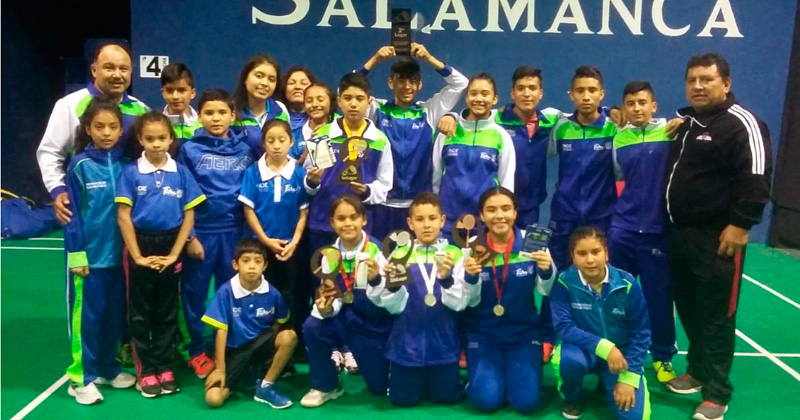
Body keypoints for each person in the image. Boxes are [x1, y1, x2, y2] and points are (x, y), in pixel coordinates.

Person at [664, 53, 772, 420]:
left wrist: (742, 224)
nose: (697, 86)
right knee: (690, 307)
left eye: (706, 79)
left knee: (716, 315)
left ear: (726, 84)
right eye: (692, 80)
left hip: (719, 238)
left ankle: (716, 393)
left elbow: (757, 176)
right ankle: (697, 370)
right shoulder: (688, 124)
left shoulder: (743, 123)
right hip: (681, 235)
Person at [115, 112, 206, 397]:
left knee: (167, 310)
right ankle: (146, 371)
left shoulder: (180, 172)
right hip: (140, 244)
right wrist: (138, 256)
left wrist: (175, 254)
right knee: (140, 313)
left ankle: (165, 367)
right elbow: (123, 216)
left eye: (162, 138)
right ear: (140, 139)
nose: (156, 144)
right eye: (150, 138)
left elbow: (189, 214)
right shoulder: (131, 172)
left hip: (171, 245)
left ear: (171, 139)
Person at [178, 89, 258, 379]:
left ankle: (228, 347)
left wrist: (247, 238)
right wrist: (190, 236)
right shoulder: (189, 150)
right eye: (209, 113)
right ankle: (197, 350)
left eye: (222, 112)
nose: (216, 118)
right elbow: (182, 194)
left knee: (232, 294)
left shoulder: (245, 150)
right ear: (199, 116)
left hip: (234, 235)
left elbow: (251, 192)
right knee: (194, 296)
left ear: (232, 115)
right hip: (201, 236)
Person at [542, 65, 618, 362]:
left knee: (601, 279)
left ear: (602, 94)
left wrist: (615, 112)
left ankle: (604, 337)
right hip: (564, 217)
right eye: (580, 91)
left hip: (601, 218)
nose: (586, 96)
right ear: (571, 95)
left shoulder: (614, 128)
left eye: (592, 91)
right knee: (555, 278)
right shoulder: (560, 128)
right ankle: (548, 335)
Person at [355, 43, 468, 239]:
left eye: (413, 81)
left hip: (418, 208)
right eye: (401, 81)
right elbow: (346, 88)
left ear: (420, 85)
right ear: (390, 82)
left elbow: (460, 83)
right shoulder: (376, 110)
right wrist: (375, 60)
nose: (407, 87)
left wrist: (429, 58)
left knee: (416, 259)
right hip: (382, 204)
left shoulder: (428, 112)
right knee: (381, 257)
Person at [64, 99, 135, 404]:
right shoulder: (79, 165)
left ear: (121, 130)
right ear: (88, 129)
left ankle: (107, 368)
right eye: (99, 127)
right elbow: (72, 216)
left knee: (113, 316)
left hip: (120, 258)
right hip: (90, 259)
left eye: (113, 127)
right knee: (87, 319)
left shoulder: (127, 164)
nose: (106, 133)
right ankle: (81, 377)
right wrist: (77, 254)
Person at [368, 192, 468, 407]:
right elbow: (391, 307)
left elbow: (460, 303)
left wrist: (447, 279)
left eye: (432, 218)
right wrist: (390, 285)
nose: (427, 225)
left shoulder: (455, 254)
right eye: (420, 219)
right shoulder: (397, 255)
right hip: (406, 346)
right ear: (410, 223)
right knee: (402, 401)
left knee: (446, 398)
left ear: (442, 220)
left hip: (444, 344)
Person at [462, 187, 556, 414]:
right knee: (486, 401)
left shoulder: (533, 242)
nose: (499, 216)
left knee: (527, 403)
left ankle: (512, 375)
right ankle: (481, 379)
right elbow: (469, 301)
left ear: (515, 212)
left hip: (523, 335)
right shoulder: (473, 246)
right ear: (482, 215)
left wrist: (546, 270)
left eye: (506, 209)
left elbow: (545, 290)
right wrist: (471, 277)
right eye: (491, 210)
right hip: (484, 335)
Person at [609, 81, 677, 383]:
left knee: (658, 299)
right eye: (630, 103)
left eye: (642, 102)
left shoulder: (670, 133)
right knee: (617, 297)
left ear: (654, 106)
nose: (636, 108)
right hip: (622, 229)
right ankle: (618, 351)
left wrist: (683, 121)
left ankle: (662, 356)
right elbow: (618, 177)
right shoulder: (619, 138)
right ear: (624, 108)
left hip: (657, 231)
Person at [38, 41, 149, 225]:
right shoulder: (70, 105)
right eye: (109, 68)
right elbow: (50, 153)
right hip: (88, 210)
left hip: (131, 211)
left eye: (123, 69)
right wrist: (58, 190)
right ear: (94, 70)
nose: (117, 75)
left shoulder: (141, 110)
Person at [550, 226, 651, 420]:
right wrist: (605, 347)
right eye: (582, 253)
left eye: (596, 252)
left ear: (606, 253)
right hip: (582, 350)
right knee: (569, 361)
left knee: (634, 417)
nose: (590, 260)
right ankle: (573, 397)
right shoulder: (564, 283)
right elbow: (564, 327)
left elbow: (641, 333)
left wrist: (629, 378)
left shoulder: (627, 284)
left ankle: (607, 385)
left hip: (621, 356)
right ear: (573, 257)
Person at [300, 196, 390, 408]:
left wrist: (377, 279)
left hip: (372, 324)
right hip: (343, 319)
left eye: (353, 217)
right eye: (341, 218)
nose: (347, 223)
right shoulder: (329, 256)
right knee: (313, 326)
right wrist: (326, 308)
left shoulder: (377, 251)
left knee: (379, 388)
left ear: (363, 220)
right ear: (332, 222)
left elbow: (389, 300)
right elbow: (332, 297)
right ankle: (326, 386)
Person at [202, 239, 297, 409]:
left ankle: (266, 386)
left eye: (258, 261)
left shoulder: (273, 293)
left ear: (265, 266)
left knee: (289, 336)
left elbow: (278, 324)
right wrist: (220, 369)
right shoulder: (225, 292)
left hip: (261, 346)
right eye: (246, 261)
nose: (252, 266)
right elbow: (221, 331)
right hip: (235, 352)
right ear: (235, 264)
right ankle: (247, 374)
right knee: (214, 399)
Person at [304, 73, 393, 252]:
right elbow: (308, 180)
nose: (353, 104)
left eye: (359, 99)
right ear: (339, 101)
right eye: (347, 98)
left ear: (369, 102)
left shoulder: (379, 140)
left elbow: (384, 185)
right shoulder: (324, 135)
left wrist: (366, 191)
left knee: (357, 270)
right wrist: (312, 182)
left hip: (358, 224)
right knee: (322, 270)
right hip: (323, 221)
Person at [239, 119, 309, 334]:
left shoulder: (299, 174)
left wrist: (294, 243)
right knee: (262, 294)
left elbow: (303, 212)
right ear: (263, 143)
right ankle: (261, 342)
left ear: (291, 142)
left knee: (290, 295)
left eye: (281, 140)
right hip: (261, 247)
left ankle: (290, 342)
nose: (276, 145)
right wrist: (264, 240)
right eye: (271, 140)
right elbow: (248, 210)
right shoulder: (253, 172)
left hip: (289, 248)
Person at [432, 73, 516, 237]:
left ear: (494, 99)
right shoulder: (448, 132)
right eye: (473, 93)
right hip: (448, 222)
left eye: (485, 94)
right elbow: (435, 177)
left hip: (484, 225)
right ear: (467, 97)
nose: (479, 99)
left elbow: (506, 184)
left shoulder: (501, 136)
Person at [494, 66, 563, 228]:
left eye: (532, 88)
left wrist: (610, 111)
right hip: (498, 203)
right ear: (512, 93)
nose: (526, 94)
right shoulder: (496, 118)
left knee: (525, 245)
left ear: (540, 93)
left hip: (531, 204)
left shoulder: (550, 120)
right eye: (521, 88)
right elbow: (470, 119)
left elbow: (581, 116)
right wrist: (451, 116)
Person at [232, 54, 290, 156]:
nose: (265, 83)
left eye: (271, 79)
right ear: (245, 78)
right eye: (259, 76)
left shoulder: (280, 110)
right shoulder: (229, 110)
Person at [295, 82, 337, 164]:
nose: (314, 104)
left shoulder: (342, 129)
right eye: (309, 101)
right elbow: (289, 169)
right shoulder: (295, 135)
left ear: (331, 102)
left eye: (320, 100)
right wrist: (307, 149)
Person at [161, 63, 201, 141]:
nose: (175, 96)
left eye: (181, 90)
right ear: (163, 93)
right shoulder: (155, 126)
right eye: (169, 91)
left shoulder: (204, 126)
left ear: (192, 93)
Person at [280, 66, 315, 137]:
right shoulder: (274, 115)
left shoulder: (325, 119)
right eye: (291, 83)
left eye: (304, 83)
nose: (297, 87)